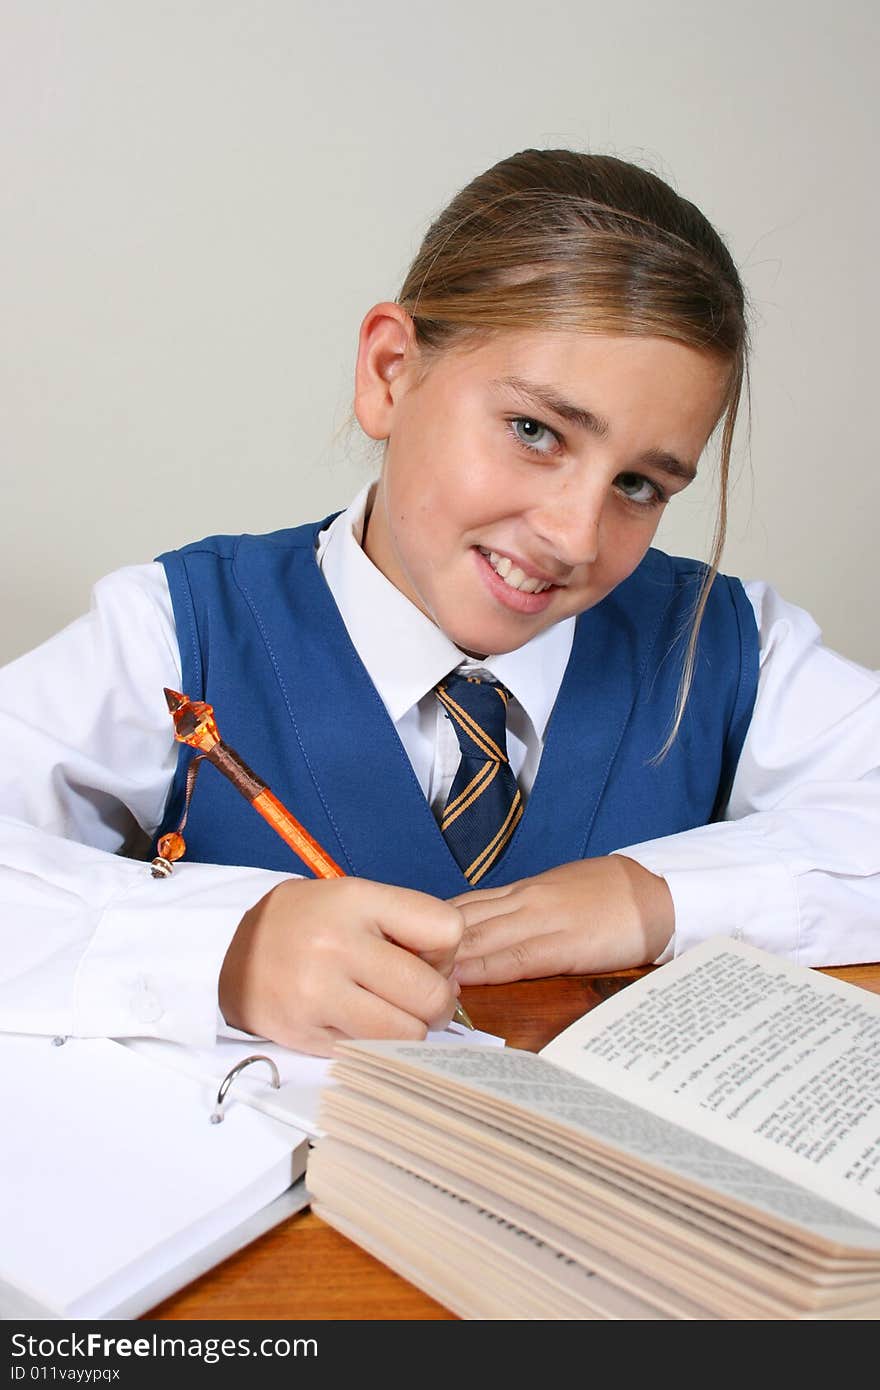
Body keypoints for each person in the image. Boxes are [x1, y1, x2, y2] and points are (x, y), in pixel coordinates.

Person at [1, 148, 878, 1058]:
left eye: (642, 487)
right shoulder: (176, 634)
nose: (574, 536)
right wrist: (225, 947)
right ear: (390, 372)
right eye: (535, 432)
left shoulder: (731, 646)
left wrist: (657, 897)